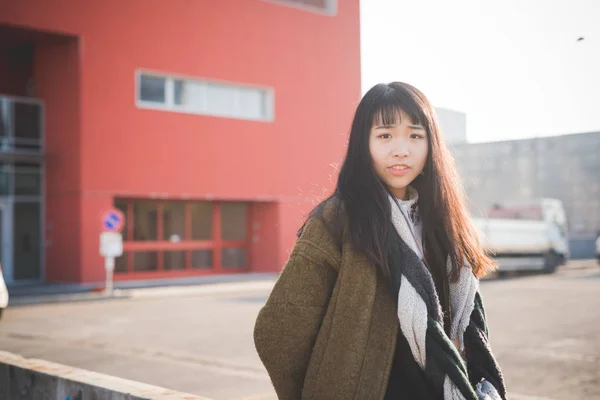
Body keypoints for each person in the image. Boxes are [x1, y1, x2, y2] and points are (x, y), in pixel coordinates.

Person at [254, 82, 506, 400]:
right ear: (364, 144)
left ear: (432, 146)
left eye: (415, 135)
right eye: (385, 135)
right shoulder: (339, 221)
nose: (400, 149)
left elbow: (470, 333)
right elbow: (277, 333)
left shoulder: (445, 225)